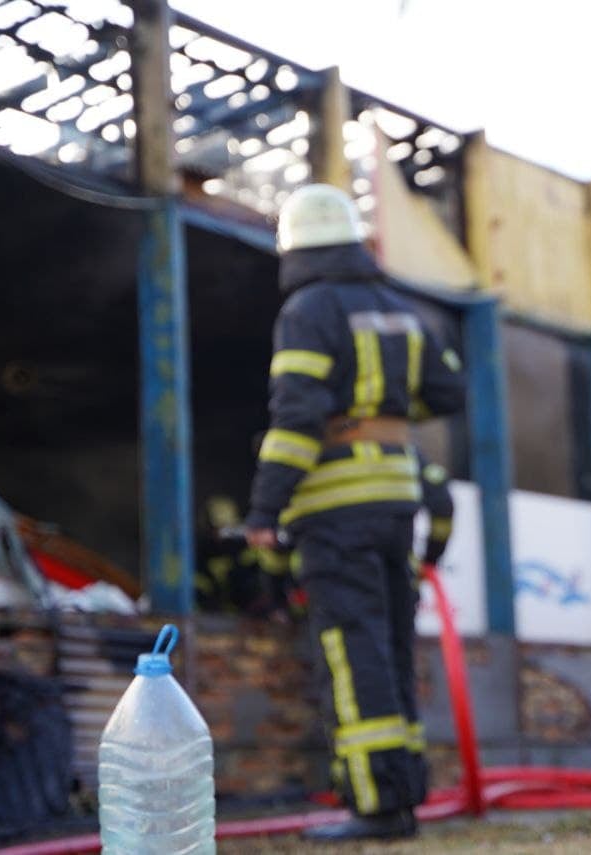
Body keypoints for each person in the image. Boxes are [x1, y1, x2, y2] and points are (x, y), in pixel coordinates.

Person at [244, 184, 466, 842]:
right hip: (396, 498)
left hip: (335, 505)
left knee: (352, 646)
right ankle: (402, 797)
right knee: (393, 645)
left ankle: (375, 805)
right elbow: (447, 389)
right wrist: (386, 419)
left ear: (294, 249)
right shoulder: (398, 309)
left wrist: (265, 507)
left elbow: (297, 417)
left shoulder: (306, 310)